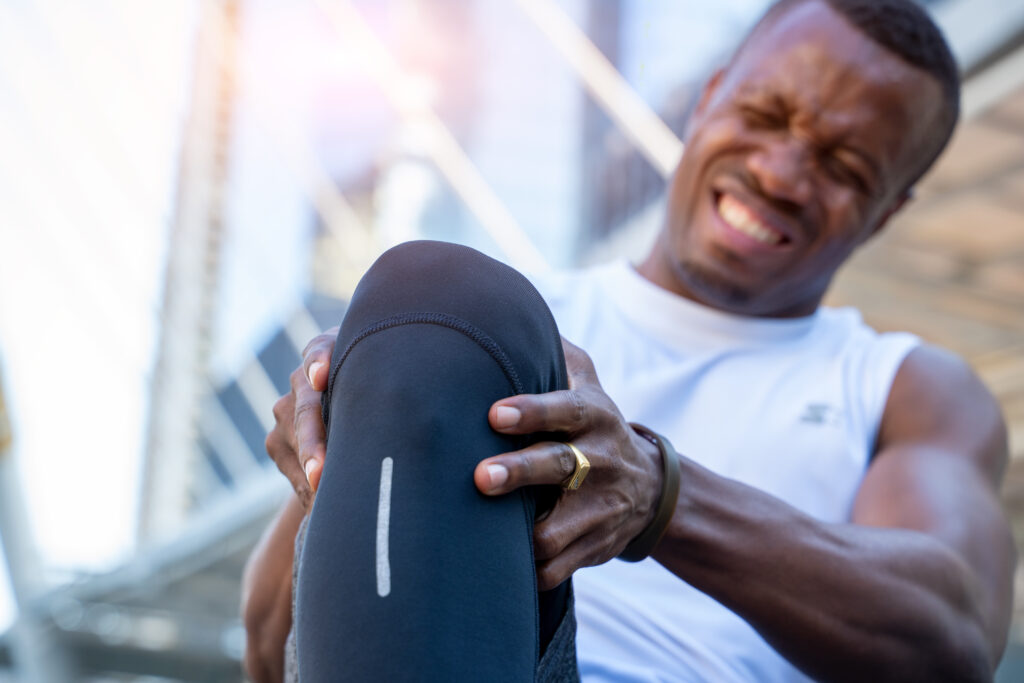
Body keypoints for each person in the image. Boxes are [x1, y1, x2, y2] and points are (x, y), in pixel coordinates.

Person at [241, 0, 1017, 680]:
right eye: (766, 115)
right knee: (430, 297)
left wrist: (660, 495)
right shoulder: (489, 332)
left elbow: (954, 638)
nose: (781, 172)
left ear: (886, 211)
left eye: (843, 165)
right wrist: (341, 448)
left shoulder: (902, 385)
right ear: (710, 98)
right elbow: (273, 654)